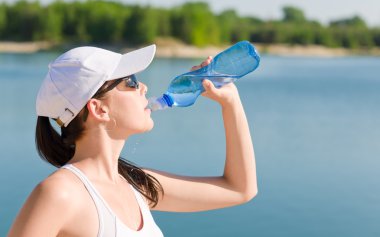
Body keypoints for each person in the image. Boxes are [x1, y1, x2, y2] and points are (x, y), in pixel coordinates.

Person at [8, 44, 258, 237]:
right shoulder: (61, 193)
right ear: (98, 109)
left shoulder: (136, 185)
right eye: (131, 82)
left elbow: (240, 189)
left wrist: (230, 103)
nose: (144, 87)